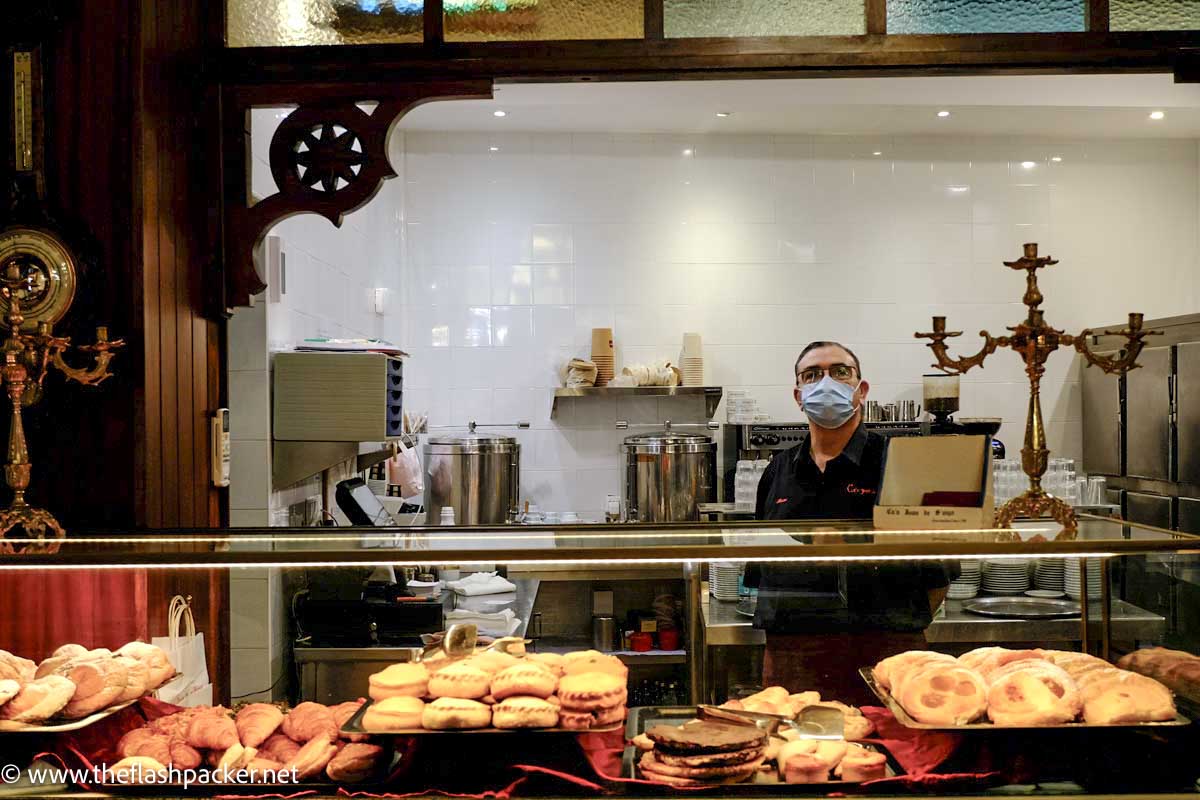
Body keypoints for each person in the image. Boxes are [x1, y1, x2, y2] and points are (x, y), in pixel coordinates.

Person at [744, 341, 953, 702]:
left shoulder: (902, 463)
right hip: (793, 653)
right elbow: (761, 568)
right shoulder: (777, 470)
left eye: (840, 372)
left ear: (861, 390)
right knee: (798, 754)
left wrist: (890, 629)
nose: (826, 382)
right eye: (812, 375)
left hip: (886, 650)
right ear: (798, 395)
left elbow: (938, 574)